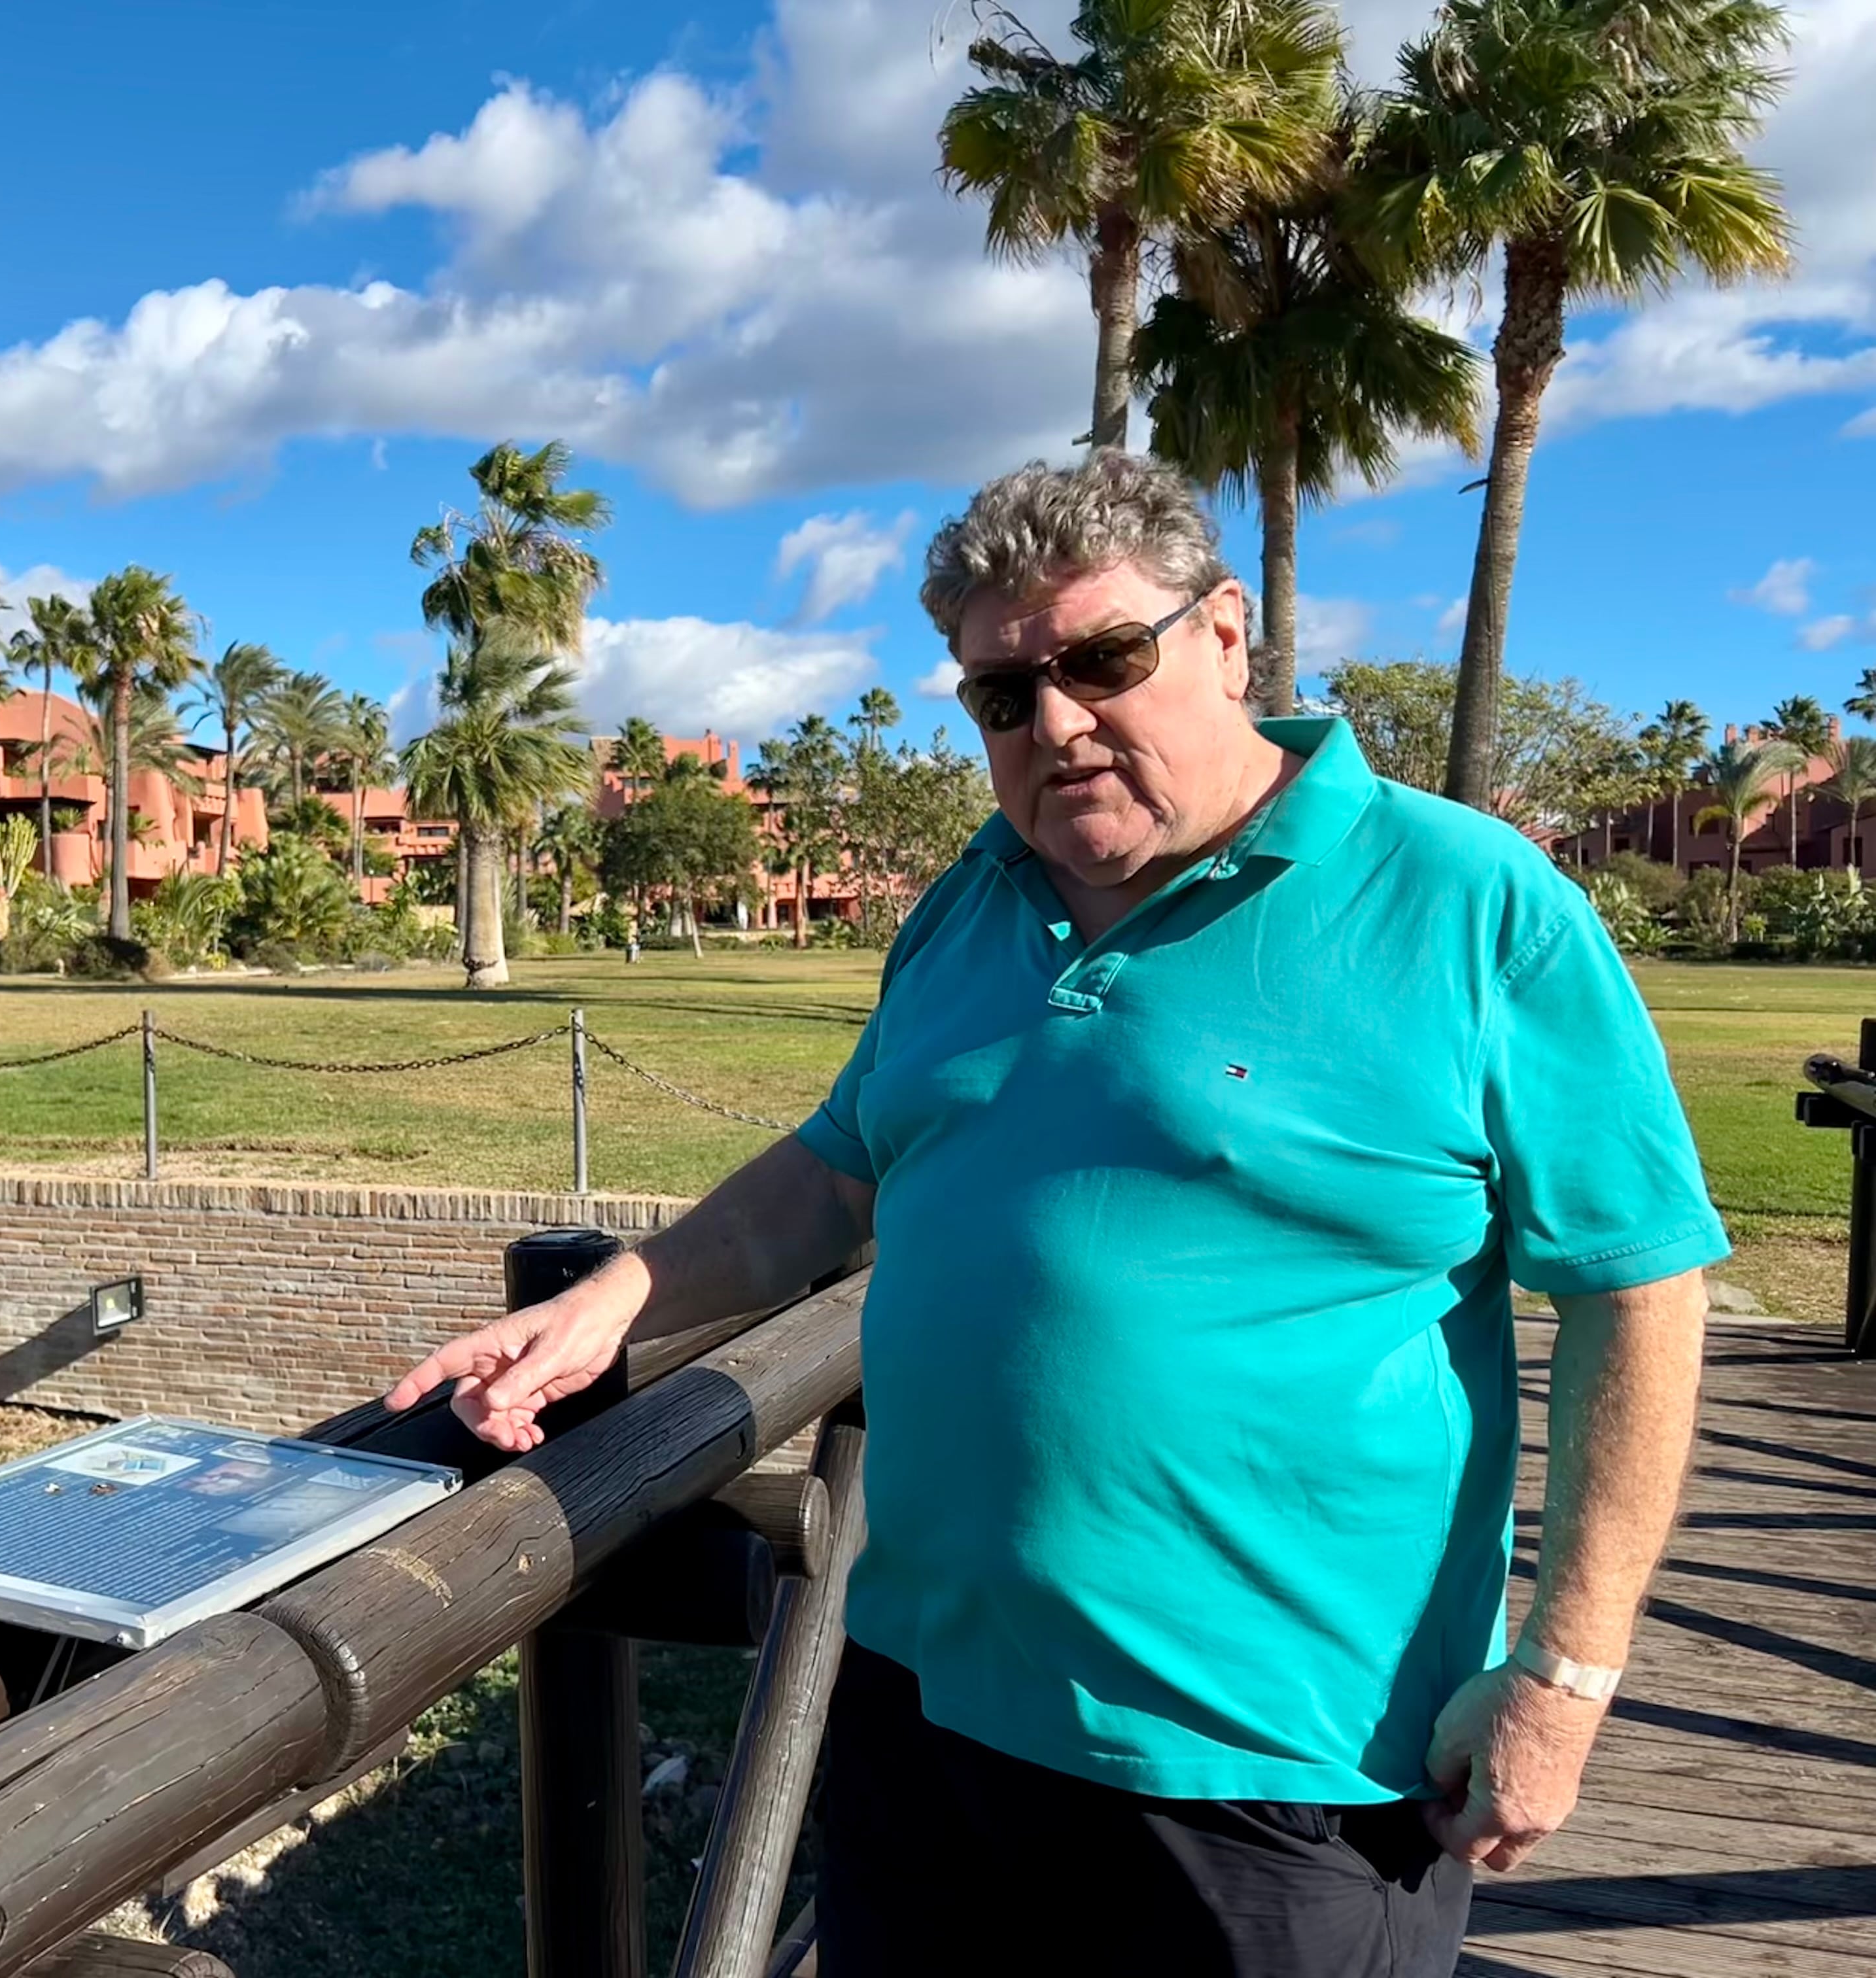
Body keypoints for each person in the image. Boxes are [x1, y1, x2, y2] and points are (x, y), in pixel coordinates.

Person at [385, 455, 1722, 1977]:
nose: (1058, 721)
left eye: (1102, 660)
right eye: (1002, 694)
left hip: (1276, 1763)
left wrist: (1565, 1675)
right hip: (923, 1706)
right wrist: (618, 1295)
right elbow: (839, 1170)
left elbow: (1639, 1285)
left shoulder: (1468, 901)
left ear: (1227, 635)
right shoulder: (972, 898)